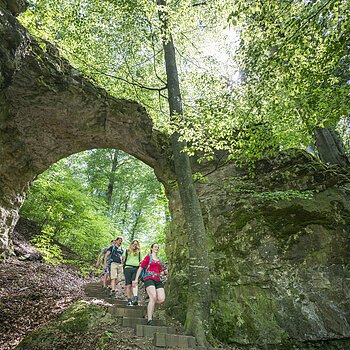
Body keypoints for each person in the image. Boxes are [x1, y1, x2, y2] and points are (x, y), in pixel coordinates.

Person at [133, 243, 166, 325]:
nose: (156, 248)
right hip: (148, 278)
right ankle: (149, 319)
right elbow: (141, 267)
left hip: (157, 280)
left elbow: (160, 272)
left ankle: (150, 303)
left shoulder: (159, 260)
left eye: (158, 247)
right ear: (151, 248)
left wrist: (164, 272)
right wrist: (136, 279)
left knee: (161, 299)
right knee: (153, 297)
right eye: (155, 247)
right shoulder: (148, 257)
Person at [122, 239, 141, 306]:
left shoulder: (138, 252)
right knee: (128, 285)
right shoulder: (127, 251)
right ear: (131, 244)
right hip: (127, 268)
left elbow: (140, 261)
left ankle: (135, 298)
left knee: (134, 283)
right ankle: (129, 300)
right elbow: (123, 259)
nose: (134, 245)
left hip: (135, 268)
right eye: (133, 244)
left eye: (136, 244)